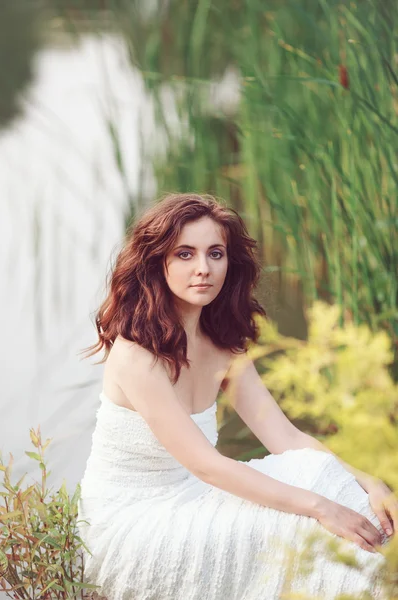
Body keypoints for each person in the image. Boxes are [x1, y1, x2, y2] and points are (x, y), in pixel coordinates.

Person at [77, 192, 395, 600]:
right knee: (303, 521)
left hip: (198, 495)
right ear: (158, 263)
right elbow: (207, 466)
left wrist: (369, 482)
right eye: (185, 255)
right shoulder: (136, 355)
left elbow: (289, 439)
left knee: (319, 474)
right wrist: (320, 507)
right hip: (135, 523)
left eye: (215, 253)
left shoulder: (224, 344)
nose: (203, 269)